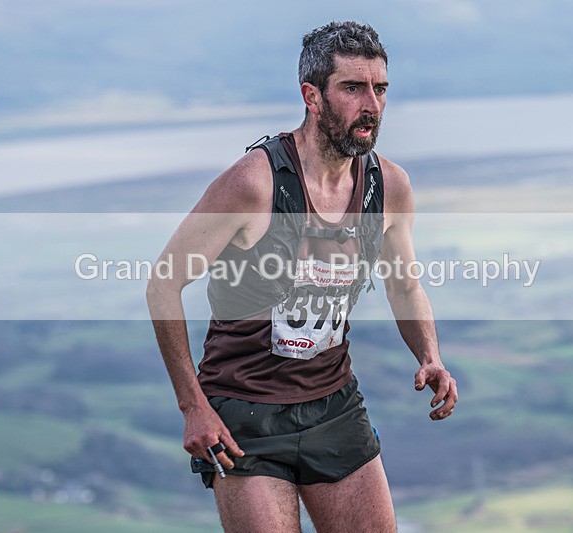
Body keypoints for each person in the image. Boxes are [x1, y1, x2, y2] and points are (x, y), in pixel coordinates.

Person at [147, 20, 458, 533]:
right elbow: (163, 283)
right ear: (311, 95)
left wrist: (430, 355)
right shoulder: (253, 183)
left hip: (333, 405)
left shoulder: (389, 187)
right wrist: (193, 407)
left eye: (380, 89)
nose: (372, 105)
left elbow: (404, 283)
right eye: (353, 88)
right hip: (244, 415)